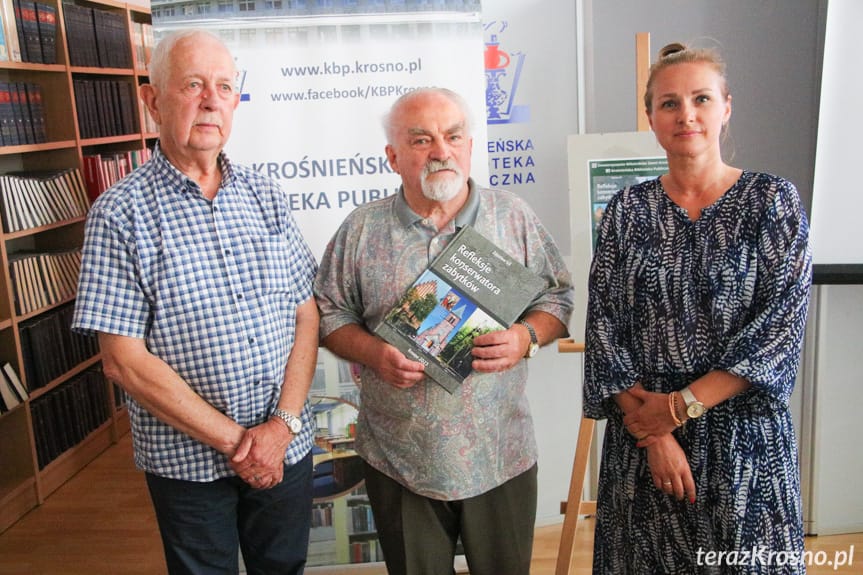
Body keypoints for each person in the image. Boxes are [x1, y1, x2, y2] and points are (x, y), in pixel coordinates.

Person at [72, 29, 319, 575]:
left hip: (285, 445)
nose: (211, 100)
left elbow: (306, 313)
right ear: (152, 99)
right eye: (192, 85)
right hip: (188, 467)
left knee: (284, 568)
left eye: (224, 86)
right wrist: (242, 444)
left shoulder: (266, 195)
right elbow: (123, 362)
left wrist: (281, 428)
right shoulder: (119, 214)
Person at [314, 87, 574, 575]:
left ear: (469, 146)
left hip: (500, 454)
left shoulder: (512, 216)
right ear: (393, 157)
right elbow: (328, 314)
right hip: (399, 459)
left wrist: (525, 337)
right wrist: (373, 353)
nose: (441, 151)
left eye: (453, 136)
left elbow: (557, 299)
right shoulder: (362, 229)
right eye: (421, 140)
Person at [583, 42, 812, 573]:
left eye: (701, 99)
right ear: (651, 118)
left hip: (744, 443)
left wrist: (678, 408)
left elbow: (779, 328)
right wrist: (655, 432)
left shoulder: (771, 201)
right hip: (644, 442)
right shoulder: (627, 209)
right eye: (669, 103)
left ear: (726, 107)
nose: (686, 114)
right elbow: (604, 327)